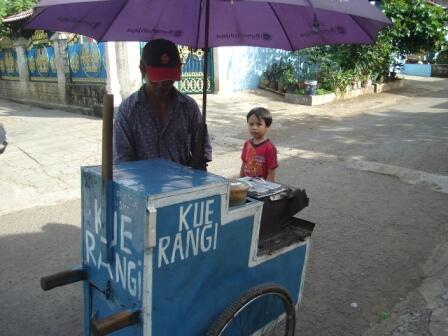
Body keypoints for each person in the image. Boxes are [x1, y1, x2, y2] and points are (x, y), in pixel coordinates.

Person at [113, 39, 211, 168]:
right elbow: (123, 160)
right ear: (142, 69)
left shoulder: (188, 107)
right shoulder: (128, 110)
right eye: (156, 79)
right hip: (143, 185)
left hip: (183, 185)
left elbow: (202, 150)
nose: (161, 85)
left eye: (167, 79)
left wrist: (199, 162)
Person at [240, 107, 278, 182]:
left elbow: (271, 173)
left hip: (262, 188)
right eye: (251, 124)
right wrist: (240, 181)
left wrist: (266, 189)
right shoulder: (247, 144)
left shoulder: (269, 148)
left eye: (259, 124)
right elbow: (244, 164)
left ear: (267, 126)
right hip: (247, 185)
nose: (254, 127)